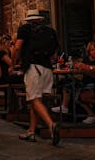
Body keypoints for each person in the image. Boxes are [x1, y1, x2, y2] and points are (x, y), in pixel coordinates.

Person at [11, 9, 60, 145]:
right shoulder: (51, 31)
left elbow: (17, 47)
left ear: (29, 20)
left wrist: (13, 64)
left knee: (34, 99)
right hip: (47, 69)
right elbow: (55, 54)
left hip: (33, 68)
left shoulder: (25, 29)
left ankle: (51, 125)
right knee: (37, 100)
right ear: (39, 19)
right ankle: (31, 131)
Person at [51, 40, 95, 116]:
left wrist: (85, 68)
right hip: (84, 81)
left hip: (93, 83)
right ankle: (64, 106)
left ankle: (91, 114)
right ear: (89, 51)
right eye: (92, 50)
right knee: (66, 82)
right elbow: (79, 68)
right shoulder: (86, 59)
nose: (94, 52)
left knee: (78, 95)